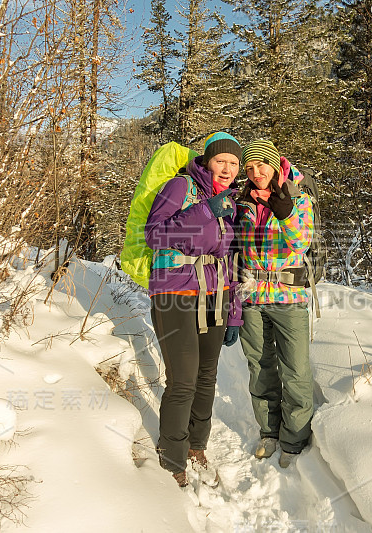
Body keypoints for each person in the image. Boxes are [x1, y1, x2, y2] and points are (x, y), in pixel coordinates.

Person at [144, 132, 243, 487]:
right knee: (183, 379)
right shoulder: (180, 187)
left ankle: (196, 445)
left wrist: (234, 312)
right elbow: (155, 234)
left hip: (214, 296)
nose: (228, 168)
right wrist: (204, 211)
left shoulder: (228, 202)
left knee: (206, 376)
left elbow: (228, 259)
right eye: (221, 161)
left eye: (234, 163)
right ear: (207, 161)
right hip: (173, 292)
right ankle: (172, 456)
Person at [234, 139, 315, 469]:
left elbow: (303, 241)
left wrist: (286, 214)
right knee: (260, 368)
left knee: (295, 370)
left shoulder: (297, 194)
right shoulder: (244, 199)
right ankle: (269, 431)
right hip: (252, 296)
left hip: (287, 296)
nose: (256, 173)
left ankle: (294, 438)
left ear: (273, 163)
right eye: (249, 168)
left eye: (261, 165)